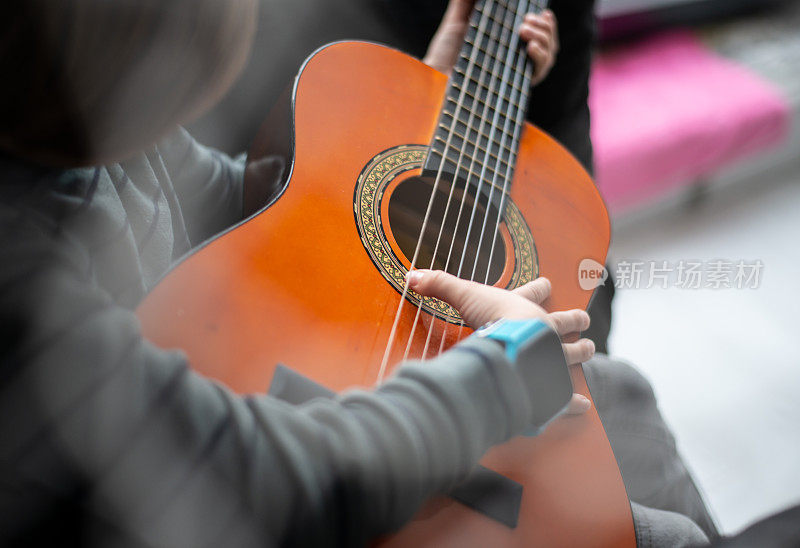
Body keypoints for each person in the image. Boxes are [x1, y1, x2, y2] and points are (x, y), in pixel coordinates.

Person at [0, 0, 717, 546]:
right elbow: (272, 482)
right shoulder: (24, 293)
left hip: (261, 416)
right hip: (267, 478)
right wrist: (503, 366)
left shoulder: (91, 126)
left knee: (621, 393)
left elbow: (235, 199)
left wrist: (419, 98)